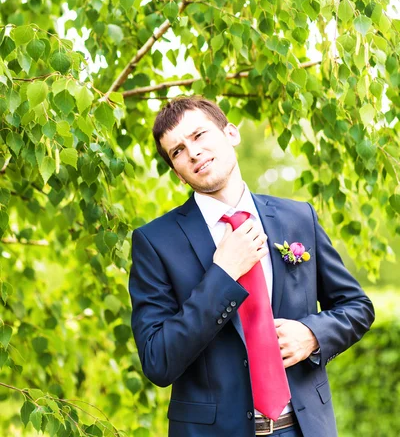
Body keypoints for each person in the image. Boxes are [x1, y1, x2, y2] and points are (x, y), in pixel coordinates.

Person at [128, 96, 374, 437]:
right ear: (178, 174)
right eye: (178, 151)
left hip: (304, 428)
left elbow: (357, 307)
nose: (193, 152)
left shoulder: (298, 217)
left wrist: (312, 335)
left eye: (199, 136)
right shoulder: (154, 242)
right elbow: (158, 361)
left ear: (231, 133)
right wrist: (223, 275)